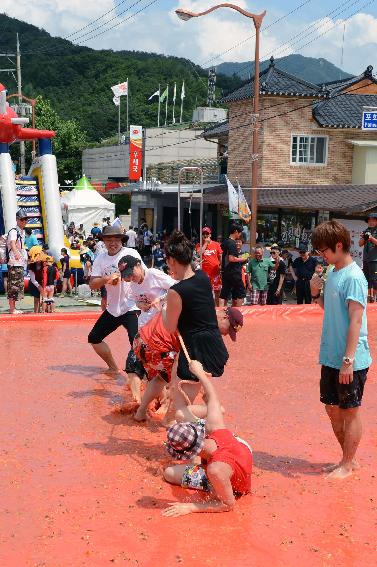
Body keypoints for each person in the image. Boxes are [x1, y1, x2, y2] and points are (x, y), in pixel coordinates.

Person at [310, 220, 371, 480]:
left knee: (350, 410)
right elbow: (331, 310)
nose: (321, 256)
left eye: (323, 250)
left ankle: (348, 463)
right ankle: (348, 459)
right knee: (331, 408)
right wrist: (315, 295)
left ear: (338, 245)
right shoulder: (333, 273)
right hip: (331, 355)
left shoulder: (355, 276)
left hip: (351, 358)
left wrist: (348, 360)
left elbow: (356, 321)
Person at [162, 358, 252, 516]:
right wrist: (200, 373)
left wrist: (190, 507)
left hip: (231, 479)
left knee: (170, 474)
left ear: (188, 455)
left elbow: (227, 504)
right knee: (170, 472)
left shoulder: (215, 470)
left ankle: (210, 480)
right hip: (238, 447)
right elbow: (212, 397)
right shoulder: (214, 428)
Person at [131, 307, 243, 423]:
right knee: (183, 379)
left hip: (141, 340)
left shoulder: (202, 306)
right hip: (158, 346)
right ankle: (170, 419)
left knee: (161, 379)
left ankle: (141, 412)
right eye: (228, 329)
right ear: (224, 317)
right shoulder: (207, 325)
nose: (225, 334)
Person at [162, 231, 229, 410]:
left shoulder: (176, 291)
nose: (169, 268)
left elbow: (169, 327)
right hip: (212, 343)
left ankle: (215, 410)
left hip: (196, 349)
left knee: (180, 410)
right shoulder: (202, 277)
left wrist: (162, 310)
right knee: (177, 392)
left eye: (168, 263)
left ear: (172, 261)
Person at [88, 226, 144, 401]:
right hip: (113, 309)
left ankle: (142, 378)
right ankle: (113, 367)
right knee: (94, 337)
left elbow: (143, 276)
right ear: (103, 241)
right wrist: (106, 279)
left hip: (132, 306)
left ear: (121, 241)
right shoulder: (100, 259)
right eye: (108, 240)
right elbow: (92, 284)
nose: (112, 243)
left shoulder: (131, 254)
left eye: (116, 240)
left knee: (136, 343)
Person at [219, 223, 248, 307]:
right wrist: (243, 258)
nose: (240, 234)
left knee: (224, 293)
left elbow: (222, 257)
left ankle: (221, 311)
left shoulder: (225, 242)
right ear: (235, 231)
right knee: (241, 292)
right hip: (233, 272)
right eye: (239, 232)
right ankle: (239, 312)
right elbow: (231, 258)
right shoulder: (232, 243)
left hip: (225, 270)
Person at [6, 209, 28, 314]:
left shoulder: (21, 232)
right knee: (13, 286)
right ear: (17, 220)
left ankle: (13, 308)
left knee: (17, 286)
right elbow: (13, 243)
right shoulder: (14, 231)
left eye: (26, 219)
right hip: (14, 262)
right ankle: (12, 309)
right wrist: (17, 254)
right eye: (22, 219)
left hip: (19, 263)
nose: (24, 221)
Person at [196, 226, 222, 305]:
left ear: (210, 235)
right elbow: (200, 253)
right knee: (206, 293)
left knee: (217, 292)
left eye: (207, 233)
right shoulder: (199, 244)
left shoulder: (216, 244)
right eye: (204, 234)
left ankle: (218, 309)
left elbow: (220, 256)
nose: (205, 235)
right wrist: (206, 243)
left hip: (215, 273)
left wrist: (220, 266)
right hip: (205, 274)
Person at [359, 212, 377, 302]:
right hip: (366, 259)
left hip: (375, 259)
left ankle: (374, 297)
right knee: (366, 279)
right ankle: (368, 297)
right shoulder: (366, 230)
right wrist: (364, 238)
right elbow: (360, 244)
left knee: (375, 279)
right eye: (369, 220)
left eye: (373, 220)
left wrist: (371, 238)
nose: (371, 222)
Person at [28, 247, 45, 313]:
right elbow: (33, 279)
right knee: (36, 299)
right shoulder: (31, 265)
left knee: (44, 298)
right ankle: (36, 312)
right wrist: (39, 287)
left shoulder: (44, 263)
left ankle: (44, 311)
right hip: (34, 283)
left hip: (42, 281)